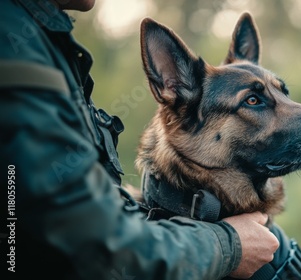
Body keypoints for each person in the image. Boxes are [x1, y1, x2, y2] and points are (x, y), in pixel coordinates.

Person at [0, 0, 279, 279]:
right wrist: (228, 246)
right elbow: (96, 240)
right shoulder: (14, 40)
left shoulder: (44, 41)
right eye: (253, 100)